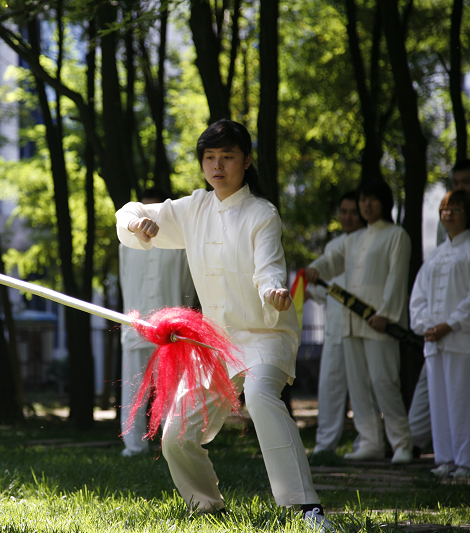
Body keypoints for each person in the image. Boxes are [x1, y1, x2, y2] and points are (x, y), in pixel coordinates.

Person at [116, 119, 329, 530]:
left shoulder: (262, 213)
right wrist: (137, 224)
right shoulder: (193, 208)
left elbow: (268, 269)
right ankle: (207, 506)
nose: (217, 166)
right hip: (215, 343)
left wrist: (273, 291)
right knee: (176, 433)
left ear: (246, 162)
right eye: (210, 158)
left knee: (262, 397)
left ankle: (304, 508)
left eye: (227, 157)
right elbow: (131, 211)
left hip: (265, 335)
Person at [306, 178, 413, 464]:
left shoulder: (396, 235)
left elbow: (396, 278)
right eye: (362, 199)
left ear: (384, 203)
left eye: (372, 199)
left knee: (384, 381)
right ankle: (371, 442)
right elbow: (330, 261)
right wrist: (315, 269)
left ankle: (402, 443)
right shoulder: (352, 240)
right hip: (352, 323)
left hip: (379, 322)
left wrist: (387, 314)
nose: (366, 205)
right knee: (359, 385)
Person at [119, 188, 196, 457]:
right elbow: (125, 279)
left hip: (170, 329)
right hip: (136, 326)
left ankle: (173, 446)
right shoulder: (126, 243)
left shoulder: (180, 243)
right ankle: (133, 446)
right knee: (132, 390)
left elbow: (188, 284)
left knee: (172, 390)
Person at [408, 158, 470, 455]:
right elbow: (418, 296)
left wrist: (452, 323)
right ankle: (445, 459)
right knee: (440, 403)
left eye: (455, 210)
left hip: (461, 339)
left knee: (462, 403)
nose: (448, 215)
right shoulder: (435, 255)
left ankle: (464, 461)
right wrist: (426, 326)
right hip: (435, 341)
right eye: (444, 209)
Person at [307, 191, 365, 456]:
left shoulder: (369, 242)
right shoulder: (333, 247)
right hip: (333, 326)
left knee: (362, 384)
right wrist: (307, 291)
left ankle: (367, 442)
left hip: (361, 326)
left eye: (354, 212)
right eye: (344, 211)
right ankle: (325, 444)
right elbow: (327, 288)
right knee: (329, 384)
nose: (348, 217)